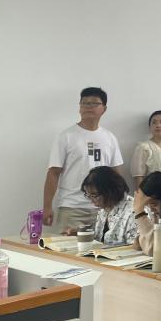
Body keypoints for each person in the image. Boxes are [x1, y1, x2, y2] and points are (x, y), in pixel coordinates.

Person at [43, 87, 124, 232]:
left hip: (103, 208)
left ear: (104, 109)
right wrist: (47, 206)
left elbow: (116, 174)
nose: (88, 107)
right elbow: (53, 173)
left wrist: (119, 204)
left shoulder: (110, 138)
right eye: (85, 103)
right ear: (80, 107)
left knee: (102, 246)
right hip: (72, 207)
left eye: (94, 103)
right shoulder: (66, 136)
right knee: (67, 246)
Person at [80, 166, 137, 244]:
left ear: (110, 191)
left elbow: (136, 247)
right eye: (88, 195)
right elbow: (100, 241)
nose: (91, 200)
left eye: (94, 195)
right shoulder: (104, 208)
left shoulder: (134, 212)